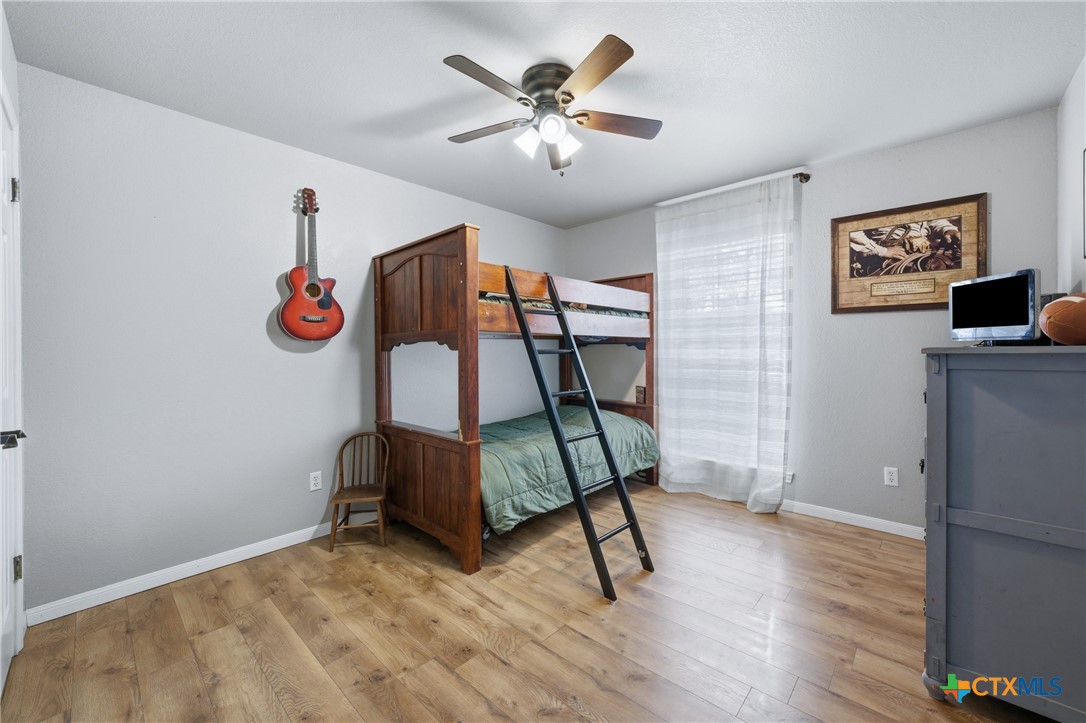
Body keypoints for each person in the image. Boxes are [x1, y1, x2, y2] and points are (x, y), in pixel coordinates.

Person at [849, 217, 961, 277]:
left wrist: (947, 229)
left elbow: (933, 218)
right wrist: (880, 250)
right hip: (891, 254)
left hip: (925, 251)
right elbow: (851, 229)